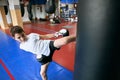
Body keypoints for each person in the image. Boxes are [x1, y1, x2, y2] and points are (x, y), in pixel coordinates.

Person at [10, 26, 76, 80]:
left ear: (24, 32)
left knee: (65, 40)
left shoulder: (32, 36)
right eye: (19, 38)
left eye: (22, 35)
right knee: (42, 74)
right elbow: (32, 49)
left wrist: (55, 34)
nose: (22, 38)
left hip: (49, 45)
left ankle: (80, 36)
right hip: (44, 57)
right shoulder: (21, 47)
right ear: (14, 38)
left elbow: (45, 36)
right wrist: (37, 54)